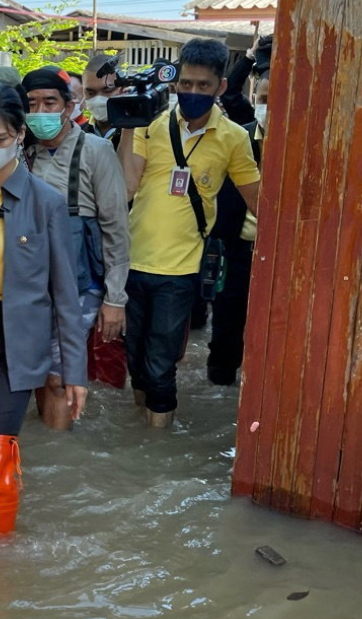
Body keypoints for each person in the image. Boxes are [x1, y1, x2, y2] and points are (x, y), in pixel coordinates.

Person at [0, 83, 88, 536]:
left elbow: (65, 295)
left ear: (19, 135)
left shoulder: (46, 202)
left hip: (12, 350)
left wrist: (73, 372)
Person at [117, 38, 262, 428]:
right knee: (134, 359)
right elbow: (128, 186)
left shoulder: (233, 137)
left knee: (162, 362)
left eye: (202, 85)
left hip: (181, 271)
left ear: (220, 88)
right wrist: (129, 126)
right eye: (185, 84)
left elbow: (258, 201)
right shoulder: (151, 123)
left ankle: (157, 442)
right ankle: (141, 434)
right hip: (133, 262)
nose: (192, 92)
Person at [21, 67, 130, 430]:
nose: (40, 112)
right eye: (32, 104)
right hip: (31, 281)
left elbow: (115, 228)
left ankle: (58, 455)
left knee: (57, 374)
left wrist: (115, 299)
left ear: (69, 106)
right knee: (36, 372)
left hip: (80, 284)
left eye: (49, 103)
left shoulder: (96, 151)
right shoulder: (21, 152)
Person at [208, 44, 271, 386]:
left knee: (271, 331)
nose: (267, 106)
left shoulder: (304, 144)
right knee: (226, 326)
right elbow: (230, 90)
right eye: (262, 98)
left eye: (276, 98)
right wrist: (247, 58)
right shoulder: (241, 137)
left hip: (280, 257)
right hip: (236, 251)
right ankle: (219, 386)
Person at [81, 54, 128, 147]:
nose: (98, 99)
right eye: (91, 92)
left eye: (107, 91)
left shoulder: (140, 134)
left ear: (123, 89)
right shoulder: (78, 136)